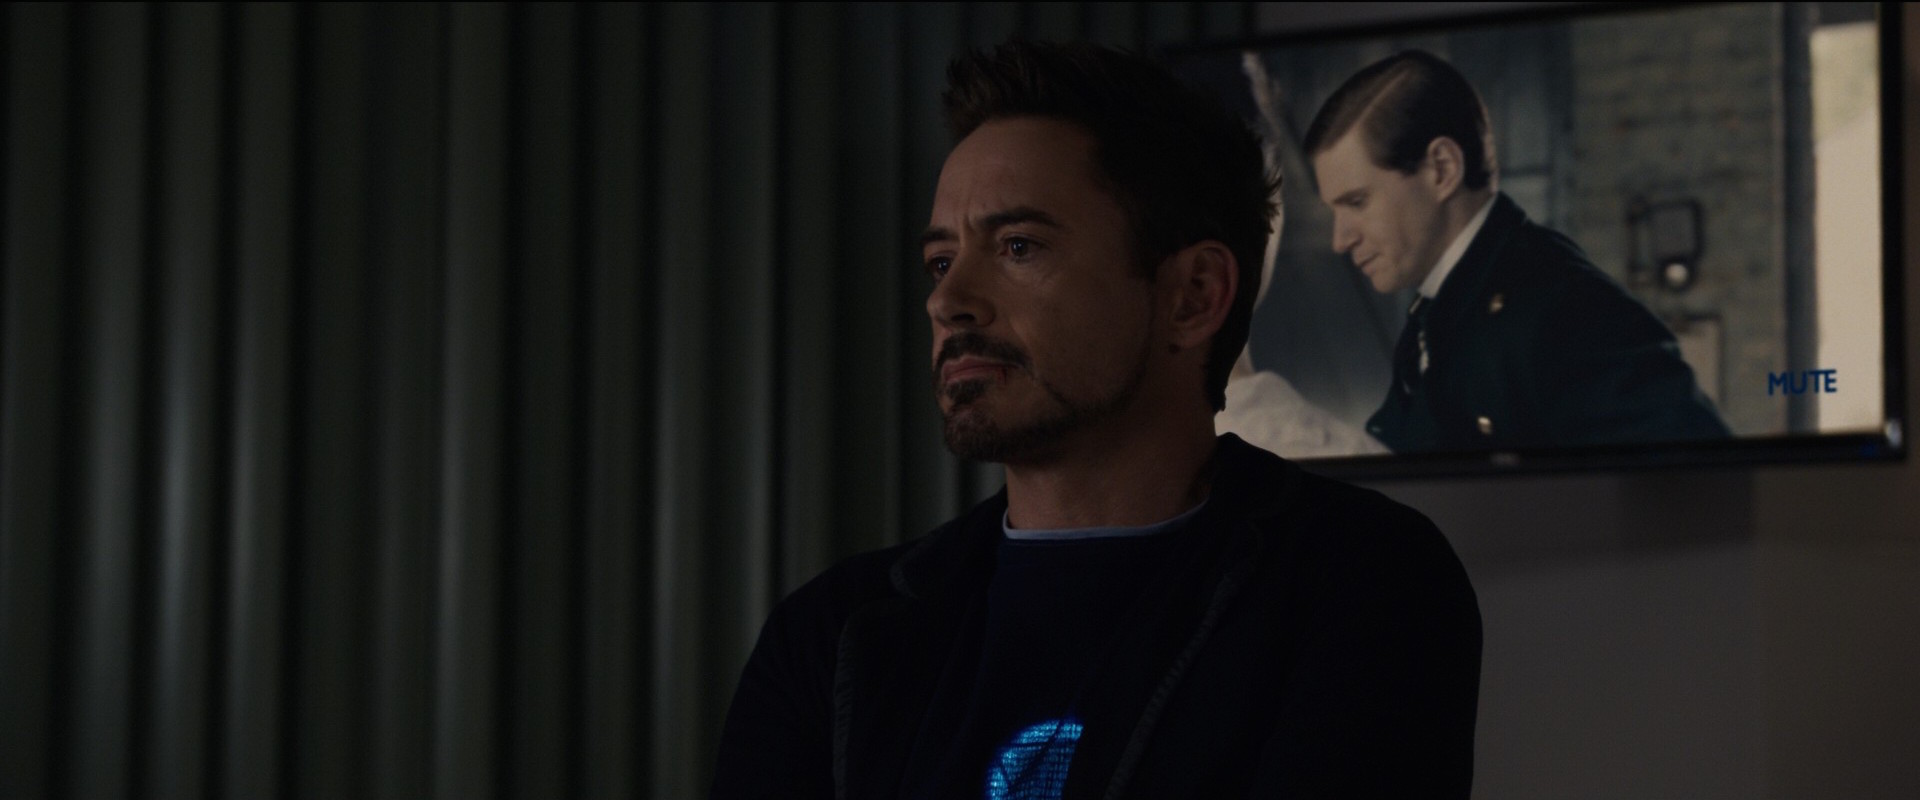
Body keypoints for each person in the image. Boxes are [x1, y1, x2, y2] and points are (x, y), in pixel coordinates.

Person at [713, 41, 1480, 799]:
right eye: (941, 261)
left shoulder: (1356, 583)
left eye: (1018, 246)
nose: (948, 301)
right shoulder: (837, 634)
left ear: (1193, 295)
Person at [1304, 50, 1730, 453]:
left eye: (1357, 202)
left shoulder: (1562, 308)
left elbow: (1699, 474)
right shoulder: (1438, 312)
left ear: (1442, 169)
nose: (1341, 239)